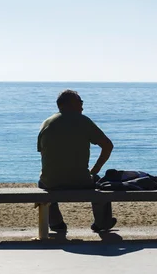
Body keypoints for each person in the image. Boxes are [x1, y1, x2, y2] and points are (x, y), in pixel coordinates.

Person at [37, 89, 117, 233]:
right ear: (70, 104)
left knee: (42, 182)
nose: (82, 107)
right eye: (80, 102)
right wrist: (95, 170)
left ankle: (56, 223)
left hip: (52, 182)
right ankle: (102, 222)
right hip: (81, 181)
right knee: (100, 182)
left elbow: (44, 154)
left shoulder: (46, 123)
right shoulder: (83, 121)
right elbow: (108, 146)